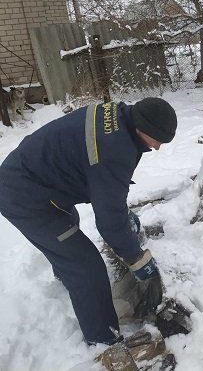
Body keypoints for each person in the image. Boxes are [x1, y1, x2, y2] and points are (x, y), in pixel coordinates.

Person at [0, 97, 178, 345]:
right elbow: (109, 221)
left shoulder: (118, 115)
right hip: (25, 197)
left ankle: (68, 278)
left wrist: (121, 212)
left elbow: (105, 185)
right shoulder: (116, 149)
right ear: (143, 128)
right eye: (158, 141)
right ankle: (104, 342)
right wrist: (137, 258)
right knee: (86, 268)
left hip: (34, 176)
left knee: (68, 226)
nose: (157, 148)